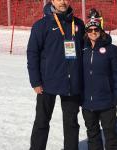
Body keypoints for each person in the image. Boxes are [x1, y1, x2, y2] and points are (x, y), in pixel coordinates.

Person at [27, 0, 85, 150]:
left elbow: (87, 52)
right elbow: (32, 54)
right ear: (52, 1)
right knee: (41, 121)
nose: (63, 2)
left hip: (72, 83)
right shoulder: (41, 26)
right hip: (47, 83)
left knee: (71, 123)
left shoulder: (79, 24)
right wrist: (35, 81)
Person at [81, 8, 117, 150]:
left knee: (111, 135)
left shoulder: (111, 49)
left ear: (101, 31)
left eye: (96, 30)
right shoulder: (82, 49)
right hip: (87, 102)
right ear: (86, 33)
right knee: (92, 135)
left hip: (107, 101)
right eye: (90, 30)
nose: (93, 32)